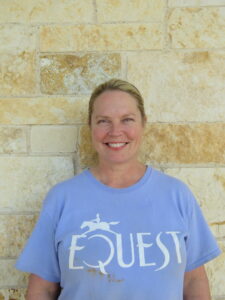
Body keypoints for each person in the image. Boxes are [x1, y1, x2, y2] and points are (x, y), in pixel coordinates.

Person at [16, 79, 221, 300]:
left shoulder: (177, 195)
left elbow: (193, 281)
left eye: (127, 120)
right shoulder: (62, 198)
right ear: (90, 126)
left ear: (143, 123)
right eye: (104, 121)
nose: (115, 131)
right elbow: (42, 289)